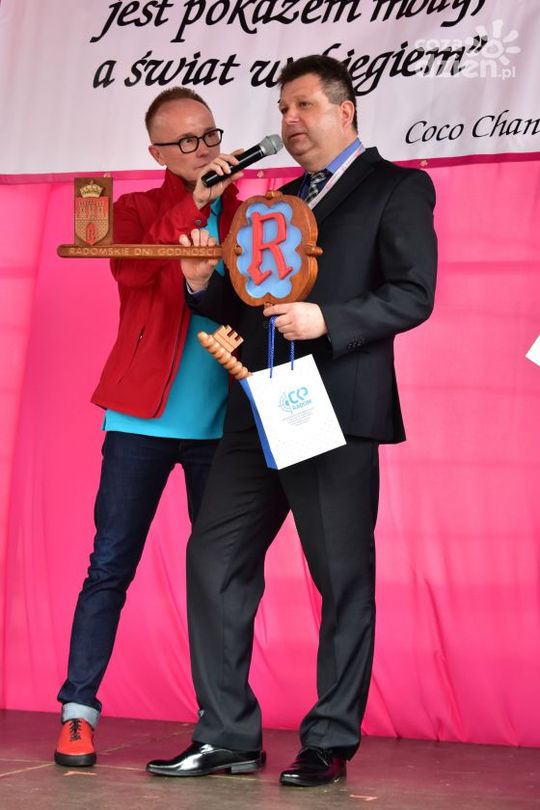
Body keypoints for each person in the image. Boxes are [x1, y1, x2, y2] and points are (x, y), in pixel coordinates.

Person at [145, 54, 437, 787]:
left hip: (333, 410)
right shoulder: (277, 199)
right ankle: (227, 736)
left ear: (346, 110)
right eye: (282, 108)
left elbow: (413, 293)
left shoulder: (397, 187)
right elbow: (252, 304)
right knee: (213, 561)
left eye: (303, 105)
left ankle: (329, 740)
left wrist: (328, 319)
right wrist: (203, 286)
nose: (289, 120)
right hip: (259, 403)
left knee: (341, 578)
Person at [54, 87, 242, 768]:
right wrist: (195, 203)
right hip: (139, 420)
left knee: (221, 574)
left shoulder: (249, 213)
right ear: (156, 153)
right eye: (185, 141)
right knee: (109, 564)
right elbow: (134, 271)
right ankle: (78, 711)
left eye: (209, 135)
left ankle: (224, 725)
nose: (202, 149)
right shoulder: (134, 210)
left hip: (223, 425)